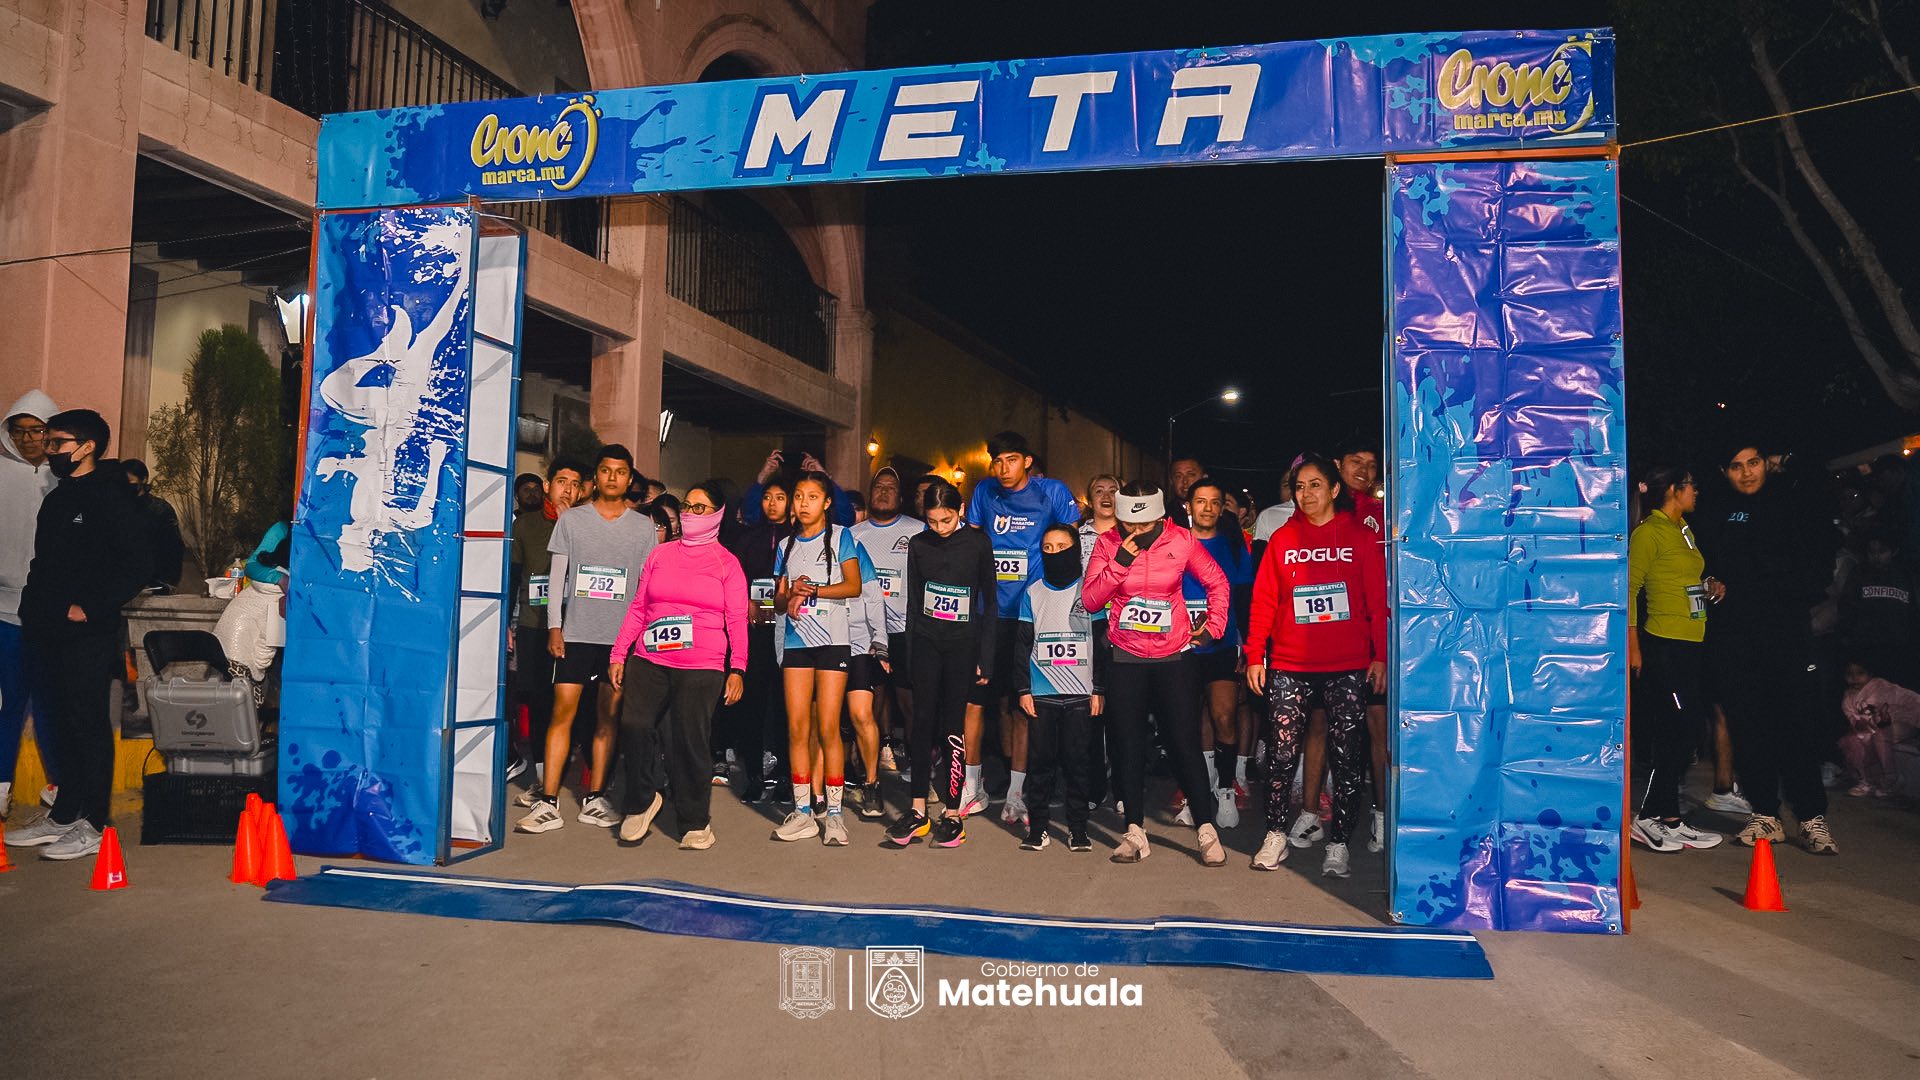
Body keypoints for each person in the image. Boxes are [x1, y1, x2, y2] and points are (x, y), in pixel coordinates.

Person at [5, 410, 149, 861]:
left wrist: (90, 606)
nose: (48, 450)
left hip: (87, 632)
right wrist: (33, 608)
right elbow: (44, 562)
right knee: (60, 721)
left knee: (88, 724)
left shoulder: (113, 496)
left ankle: (95, 824)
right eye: (47, 442)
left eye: (57, 443)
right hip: (43, 627)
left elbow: (138, 565)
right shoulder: (58, 497)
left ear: (86, 447)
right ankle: (65, 813)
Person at [1243, 455, 1387, 877]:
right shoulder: (1283, 539)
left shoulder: (1360, 537)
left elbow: (1377, 602)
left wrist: (1379, 655)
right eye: (1299, 486)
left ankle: (1339, 843)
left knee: (1346, 759)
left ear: (1334, 489)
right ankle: (1275, 834)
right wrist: (1255, 655)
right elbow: (1264, 601)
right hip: (1290, 665)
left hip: (1347, 666)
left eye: (1315, 485)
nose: (1305, 494)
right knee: (1281, 755)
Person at [1697, 440, 1839, 855]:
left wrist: (1786, 462)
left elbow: (1819, 479)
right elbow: (1702, 564)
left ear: (1767, 463)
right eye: (1736, 466)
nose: (1747, 473)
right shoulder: (1716, 511)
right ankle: (1764, 815)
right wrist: (1709, 580)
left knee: (1796, 724)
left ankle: (1811, 818)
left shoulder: (1792, 501)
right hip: (1735, 638)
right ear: (1724, 472)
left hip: (1787, 634)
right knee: (1748, 727)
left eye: (1755, 462)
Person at [1084, 481, 1231, 866]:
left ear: (1160, 518)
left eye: (1145, 525)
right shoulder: (1108, 543)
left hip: (1174, 656)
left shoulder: (1181, 540)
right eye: (1129, 524)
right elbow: (1091, 599)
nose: (1136, 531)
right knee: (1127, 744)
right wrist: (1120, 562)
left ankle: (1206, 828)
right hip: (1125, 656)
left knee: (1184, 742)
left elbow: (1217, 582)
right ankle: (1134, 830)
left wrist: (1213, 627)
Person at [516, 445, 657, 835]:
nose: (613, 478)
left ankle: (595, 797)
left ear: (629, 479)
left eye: (621, 472)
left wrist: (638, 637)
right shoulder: (572, 521)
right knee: (562, 713)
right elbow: (557, 577)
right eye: (606, 471)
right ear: (596, 479)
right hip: (575, 635)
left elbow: (646, 586)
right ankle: (548, 801)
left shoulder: (643, 527)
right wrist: (555, 627)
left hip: (620, 640)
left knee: (607, 718)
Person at [606, 481, 748, 849]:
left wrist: (738, 668)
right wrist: (619, 653)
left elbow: (736, 618)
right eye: (687, 505)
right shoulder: (660, 555)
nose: (689, 513)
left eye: (700, 507)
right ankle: (641, 802)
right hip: (650, 657)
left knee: (689, 740)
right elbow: (639, 607)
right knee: (634, 725)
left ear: (716, 515)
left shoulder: (727, 563)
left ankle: (695, 822)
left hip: (702, 664)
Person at [965, 430, 1081, 825]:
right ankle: (973, 787)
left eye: (1011, 459)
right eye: (997, 461)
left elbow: (1068, 545)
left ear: (1027, 461)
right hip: (989, 613)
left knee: (1023, 706)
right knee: (979, 702)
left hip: (1033, 613)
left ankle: (1018, 793)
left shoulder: (1052, 492)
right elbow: (972, 544)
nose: (1003, 468)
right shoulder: (984, 492)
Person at [888, 480, 996, 847]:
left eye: (946, 520)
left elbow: (990, 603)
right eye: (932, 521)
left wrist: (986, 657)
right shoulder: (919, 544)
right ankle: (918, 810)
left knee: (953, 728)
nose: (939, 528)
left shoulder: (978, 544)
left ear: (960, 510)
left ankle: (952, 814)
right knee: (921, 724)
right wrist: (910, 654)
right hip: (926, 644)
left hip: (963, 647)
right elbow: (913, 602)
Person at [1625, 466, 1726, 853]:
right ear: (1673, 490)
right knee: (1680, 729)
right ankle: (1649, 817)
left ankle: (1669, 818)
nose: (1696, 492)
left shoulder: (1683, 530)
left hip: (1691, 641)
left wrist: (1708, 585)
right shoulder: (1648, 532)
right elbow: (1629, 589)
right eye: (1691, 486)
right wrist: (1634, 645)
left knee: (1685, 731)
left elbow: (1680, 580)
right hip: (1664, 644)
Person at [770, 471, 867, 845]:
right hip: (797, 643)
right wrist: (789, 592)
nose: (803, 503)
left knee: (828, 727)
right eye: (798, 496)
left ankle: (836, 816)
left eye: (812, 497)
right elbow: (778, 603)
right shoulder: (786, 545)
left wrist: (812, 590)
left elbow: (854, 586)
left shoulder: (841, 537)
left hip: (833, 641)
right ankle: (803, 812)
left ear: (826, 503)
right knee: (797, 727)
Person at [1012, 524, 1106, 852]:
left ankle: (1078, 829)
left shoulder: (1090, 592)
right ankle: (1038, 828)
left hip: (1081, 693)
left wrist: (1099, 689)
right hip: (1042, 693)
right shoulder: (1032, 592)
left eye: (1061, 546)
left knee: (1078, 764)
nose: (1054, 553)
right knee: (1040, 764)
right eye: (1048, 548)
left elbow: (1102, 643)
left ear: (1075, 549)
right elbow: (1022, 644)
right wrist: (1023, 689)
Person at [1181, 478, 1255, 827]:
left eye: (1215, 502)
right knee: (1187, 723)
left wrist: (1247, 646)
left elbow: (1244, 600)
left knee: (1224, 716)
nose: (1208, 508)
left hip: (1222, 644)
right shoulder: (1174, 543)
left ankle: (1225, 789)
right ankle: (1197, 791)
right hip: (1181, 647)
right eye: (1201, 501)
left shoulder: (1233, 546)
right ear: (1188, 506)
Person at [507, 458, 586, 785]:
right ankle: (541, 771)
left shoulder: (588, 524)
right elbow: (513, 577)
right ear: (547, 486)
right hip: (534, 623)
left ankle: (572, 767)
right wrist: (506, 624)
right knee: (538, 699)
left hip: (577, 627)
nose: (567, 490)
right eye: (561, 482)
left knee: (570, 701)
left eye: (575, 484)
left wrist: (570, 524)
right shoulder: (525, 525)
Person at [849, 467, 925, 807]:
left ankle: (919, 772)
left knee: (910, 704)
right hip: (866, 633)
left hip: (906, 632)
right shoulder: (853, 535)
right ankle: (871, 765)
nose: (883, 491)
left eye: (890, 487)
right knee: (871, 702)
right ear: (870, 493)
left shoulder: (917, 530)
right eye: (878, 486)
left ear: (901, 496)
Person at [0, 390, 60, 818]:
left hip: (55, 613)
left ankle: (61, 788)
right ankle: (1, 787)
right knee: (8, 703)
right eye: (18, 431)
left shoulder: (66, 477)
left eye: (36, 430)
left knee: (52, 705)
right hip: (5, 610)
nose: (27, 439)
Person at [716, 477, 791, 801]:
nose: (772, 503)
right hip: (754, 633)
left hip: (788, 632)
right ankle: (754, 776)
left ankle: (786, 774)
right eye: (767, 497)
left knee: (786, 707)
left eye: (780, 497)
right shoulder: (747, 538)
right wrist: (745, 602)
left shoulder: (797, 539)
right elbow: (731, 578)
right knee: (753, 705)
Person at [213, 521, 290, 707]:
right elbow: (267, 641)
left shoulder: (266, 585)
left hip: (222, 648)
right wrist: (259, 672)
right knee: (244, 710)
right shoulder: (278, 596)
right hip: (242, 661)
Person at [1840, 531, 1917, 690]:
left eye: (1882, 551)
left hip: (1898, 647)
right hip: (1866, 647)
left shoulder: (1906, 575)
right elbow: (1847, 606)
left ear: (1894, 551)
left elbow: (1912, 611)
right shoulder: (1858, 573)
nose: (1876, 556)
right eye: (1872, 551)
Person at [1838, 659, 1918, 797]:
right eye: (1850, 674)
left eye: (1860, 673)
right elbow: (1852, 717)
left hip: (1902, 723)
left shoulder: (1882, 688)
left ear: (1870, 674)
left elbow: (1912, 699)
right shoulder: (1848, 698)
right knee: (1853, 742)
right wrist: (1858, 724)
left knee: (1881, 735)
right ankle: (1868, 781)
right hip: (1873, 730)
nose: (1854, 678)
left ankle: (1891, 779)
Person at [122, 460, 184, 591]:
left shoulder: (160, 509)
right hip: (123, 579)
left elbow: (174, 547)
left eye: (131, 483)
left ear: (143, 479)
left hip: (155, 581)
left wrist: (169, 581)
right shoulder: (117, 508)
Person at [1167, 457, 1205, 528]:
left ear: (1204, 478)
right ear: (1171, 481)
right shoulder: (1165, 517)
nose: (1185, 481)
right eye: (1178, 476)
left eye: (1191, 475)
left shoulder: (1217, 514)